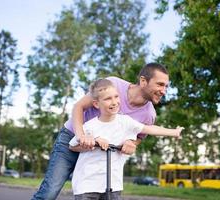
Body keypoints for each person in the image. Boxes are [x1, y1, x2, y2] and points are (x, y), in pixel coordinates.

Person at [31, 63, 169, 200]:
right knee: (49, 191)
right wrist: (81, 136)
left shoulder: (149, 114)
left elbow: (138, 137)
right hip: (72, 139)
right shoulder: (113, 84)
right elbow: (79, 106)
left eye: (166, 86)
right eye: (160, 84)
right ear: (143, 81)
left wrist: (130, 142)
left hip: (99, 154)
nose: (164, 90)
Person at [69, 78, 182, 200]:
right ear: (96, 104)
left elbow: (149, 129)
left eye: (116, 97)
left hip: (113, 185)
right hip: (87, 185)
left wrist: (174, 132)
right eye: (108, 99)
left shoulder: (125, 121)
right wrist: (92, 140)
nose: (114, 102)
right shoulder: (90, 126)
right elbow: (72, 145)